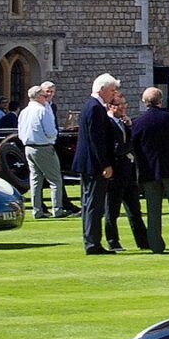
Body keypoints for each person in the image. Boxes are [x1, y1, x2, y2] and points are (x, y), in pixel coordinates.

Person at [131, 85, 169, 253]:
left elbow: (135, 149)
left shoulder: (138, 122)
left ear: (144, 102)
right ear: (160, 101)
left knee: (153, 210)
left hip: (149, 171)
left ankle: (156, 245)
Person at [72, 75, 123, 256]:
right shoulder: (94, 108)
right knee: (94, 204)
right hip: (94, 164)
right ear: (101, 89)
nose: (113, 94)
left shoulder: (93, 106)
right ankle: (93, 243)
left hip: (89, 163)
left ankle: (91, 240)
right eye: (111, 91)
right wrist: (105, 164)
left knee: (89, 203)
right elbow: (96, 140)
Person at [104, 93, 150, 249]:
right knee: (112, 211)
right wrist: (131, 144)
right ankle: (113, 242)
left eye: (124, 104)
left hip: (128, 173)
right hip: (115, 173)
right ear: (111, 106)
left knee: (135, 211)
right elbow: (116, 148)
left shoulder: (123, 123)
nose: (123, 107)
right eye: (119, 104)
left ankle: (143, 242)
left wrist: (130, 127)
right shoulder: (108, 123)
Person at [16, 82, 67, 219]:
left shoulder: (24, 111)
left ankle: (37, 210)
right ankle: (58, 209)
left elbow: (20, 132)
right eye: (44, 95)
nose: (46, 97)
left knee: (35, 180)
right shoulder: (42, 110)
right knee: (55, 180)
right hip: (43, 147)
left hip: (28, 147)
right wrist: (53, 137)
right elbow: (50, 131)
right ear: (38, 96)